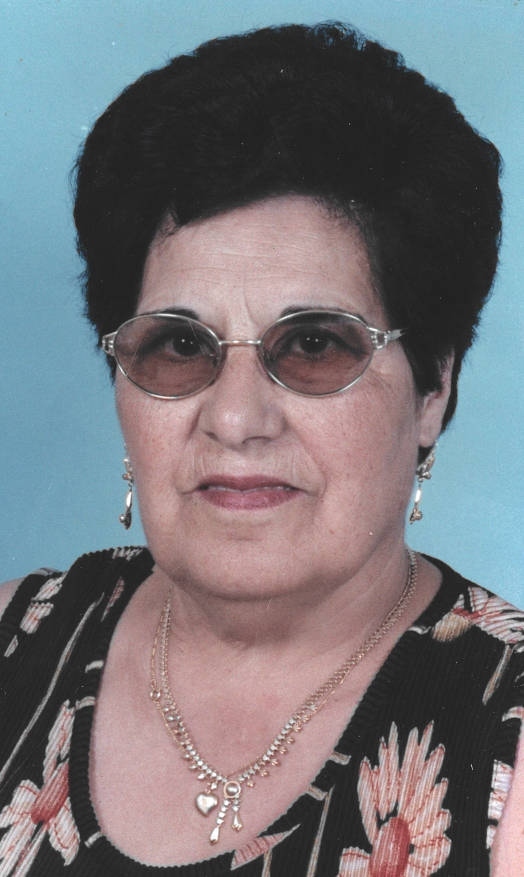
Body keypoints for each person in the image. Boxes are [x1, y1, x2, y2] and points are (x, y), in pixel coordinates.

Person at [0, 21, 522, 876]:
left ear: (433, 389)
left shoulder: (508, 738)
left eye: (314, 345)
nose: (236, 418)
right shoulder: (13, 648)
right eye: (180, 345)